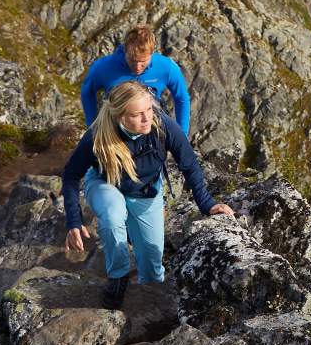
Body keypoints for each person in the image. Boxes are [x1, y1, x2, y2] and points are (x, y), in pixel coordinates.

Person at [62, 80, 232, 306]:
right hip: (106, 185)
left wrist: (207, 204)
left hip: (146, 190)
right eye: (138, 114)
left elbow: (189, 163)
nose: (147, 118)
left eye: (149, 109)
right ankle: (118, 275)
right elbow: (71, 175)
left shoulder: (163, 127)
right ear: (120, 116)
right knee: (113, 216)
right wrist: (74, 221)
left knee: (152, 270)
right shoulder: (98, 136)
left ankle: (135, 244)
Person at [81, 25, 192, 137]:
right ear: (125, 50)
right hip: (115, 129)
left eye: (143, 62)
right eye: (132, 60)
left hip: (151, 127)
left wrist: (182, 135)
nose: (138, 67)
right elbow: (87, 93)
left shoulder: (167, 67)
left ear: (151, 54)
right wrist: (93, 129)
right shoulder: (102, 67)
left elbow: (182, 98)